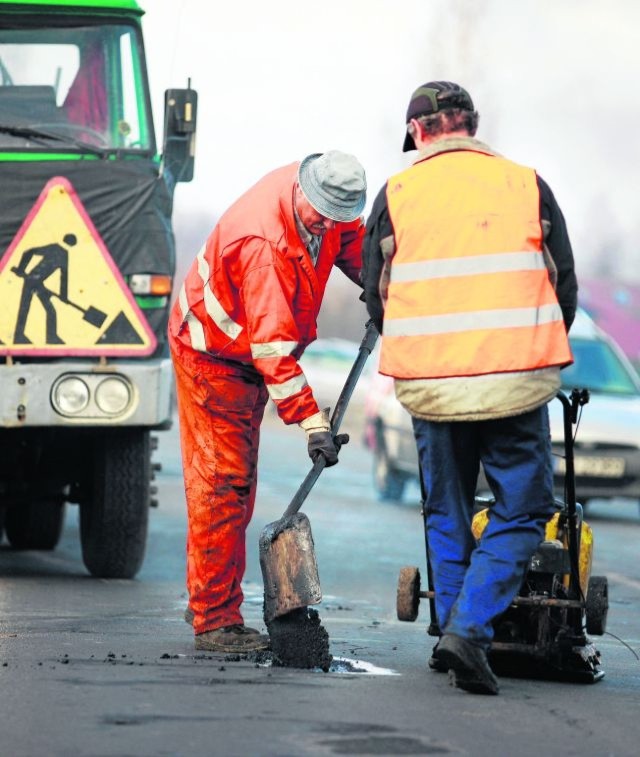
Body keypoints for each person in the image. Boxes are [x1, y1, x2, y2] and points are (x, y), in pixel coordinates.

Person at [362, 81, 577, 694]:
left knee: (445, 508)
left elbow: (379, 298)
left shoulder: (396, 194)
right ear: (471, 124)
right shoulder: (525, 184)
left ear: (420, 133)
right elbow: (564, 292)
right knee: (525, 508)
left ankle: (451, 632)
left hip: (432, 386)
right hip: (513, 381)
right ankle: (470, 629)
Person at [169, 151, 367, 653]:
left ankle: (218, 607)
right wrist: (313, 424)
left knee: (238, 487)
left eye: (336, 218)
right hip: (214, 357)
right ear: (302, 189)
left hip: (246, 354)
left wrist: (384, 287)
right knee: (222, 486)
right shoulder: (266, 246)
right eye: (319, 213)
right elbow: (273, 354)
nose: (325, 224)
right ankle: (215, 622)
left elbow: (353, 244)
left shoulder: (325, 207)